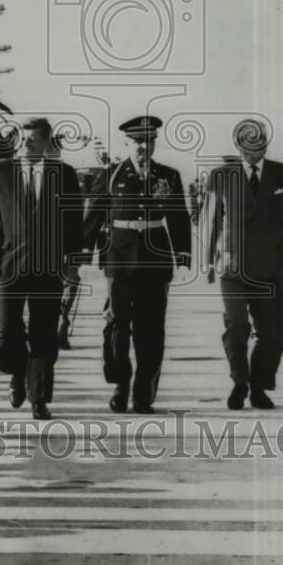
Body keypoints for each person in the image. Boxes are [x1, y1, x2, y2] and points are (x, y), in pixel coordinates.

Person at [83, 116, 191, 414]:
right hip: (119, 258)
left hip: (155, 260)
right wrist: (82, 254)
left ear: (155, 143)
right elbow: (93, 216)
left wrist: (183, 255)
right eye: (138, 141)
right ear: (127, 143)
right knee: (117, 326)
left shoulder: (168, 176)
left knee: (151, 329)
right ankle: (121, 382)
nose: (144, 146)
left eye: (150, 140)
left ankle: (143, 395)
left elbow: (179, 217)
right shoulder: (111, 174)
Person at [0, 118, 83, 420]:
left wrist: (73, 263)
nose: (25, 144)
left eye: (33, 140)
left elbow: (74, 223)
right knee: (7, 329)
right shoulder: (2, 172)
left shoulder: (64, 175)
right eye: (22, 139)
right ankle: (16, 371)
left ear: (47, 142)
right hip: (9, 266)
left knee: (44, 333)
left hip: (49, 269)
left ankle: (39, 398)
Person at [207, 118, 283, 410]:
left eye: (261, 148)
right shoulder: (220, 175)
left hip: (271, 265)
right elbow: (212, 221)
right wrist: (208, 261)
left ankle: (260, 386)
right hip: (233, 267)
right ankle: (239, 381)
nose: (256, 154)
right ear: (238, 147)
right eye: (250, 150)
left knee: (272, 331)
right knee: (236, 327)